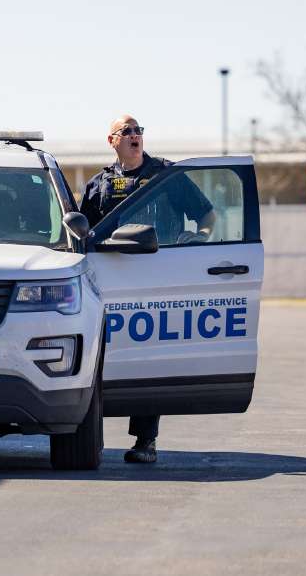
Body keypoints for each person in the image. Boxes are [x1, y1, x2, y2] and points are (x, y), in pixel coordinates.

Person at [81, 115, 216, 464]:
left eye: (138, 130)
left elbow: (206, 214)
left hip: (158, 279)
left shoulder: (166, 177)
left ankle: (146, 440)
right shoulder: (99, 185)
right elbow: (83, 235)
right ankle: (90, 439)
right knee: (100, 358)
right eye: (127, 131)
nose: (135, 136)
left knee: (148, 358)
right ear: (112, 140)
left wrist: (198, 238)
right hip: (110, 281)